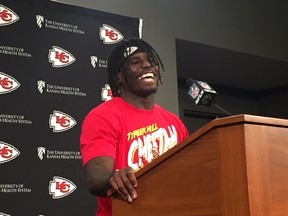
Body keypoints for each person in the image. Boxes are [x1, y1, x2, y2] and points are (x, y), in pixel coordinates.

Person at [80, 38, 189, 216]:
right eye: (135, 62)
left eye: (150, 61)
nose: (147, 65)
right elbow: (96, 177)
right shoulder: (103, 116)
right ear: (119, 76)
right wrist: (112, 178)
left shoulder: (174, 123)